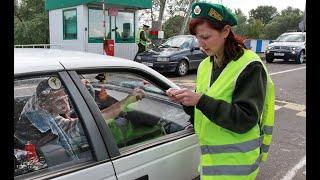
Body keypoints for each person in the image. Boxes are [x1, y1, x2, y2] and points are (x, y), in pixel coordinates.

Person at [166, 2, 275, 180]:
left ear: (225, 31)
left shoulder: (250, 66)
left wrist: (200, 100)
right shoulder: (205, 65)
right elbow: (202, 111)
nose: (201, 44)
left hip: (237, 167)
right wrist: (186, 100)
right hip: (210, 163)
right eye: (197, 38)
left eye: (206, 37)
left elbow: (245, 119)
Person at [14, 76, 146, 166]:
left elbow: (53, 93)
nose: (66, 104)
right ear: (44, 106)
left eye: (66, 97)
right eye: (59, 101)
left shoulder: (37, 100)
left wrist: (76, 86)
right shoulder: (41, 119)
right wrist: (125, 102)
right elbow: (89, 124)